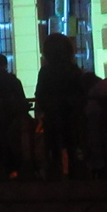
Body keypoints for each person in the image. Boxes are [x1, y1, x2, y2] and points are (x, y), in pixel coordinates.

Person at [35, 33, 84, 179]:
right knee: (72, 146)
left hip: (52, 114)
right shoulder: (74, 70)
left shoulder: (46, 71)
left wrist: (45, 107)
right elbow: (81, 93)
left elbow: (40, 93)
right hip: (71, 114)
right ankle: (74, 174)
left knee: (54, 148)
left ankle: (55, 174)